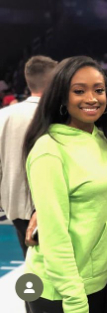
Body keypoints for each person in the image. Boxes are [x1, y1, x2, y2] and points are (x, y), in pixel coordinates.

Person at [23, 56, 107, 313]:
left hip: (95, 282)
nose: (92, 99)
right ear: (61, 96)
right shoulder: (49, 149)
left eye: (99, 90)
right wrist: (74, 299)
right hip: (61, 291)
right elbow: (54, 236)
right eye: (79, 91)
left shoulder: (98, 136)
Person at [0, 55, 57, 258]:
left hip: (14, 203)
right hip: (52, 206)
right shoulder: (58, 116)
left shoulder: (4, 116)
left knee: (32, 265)